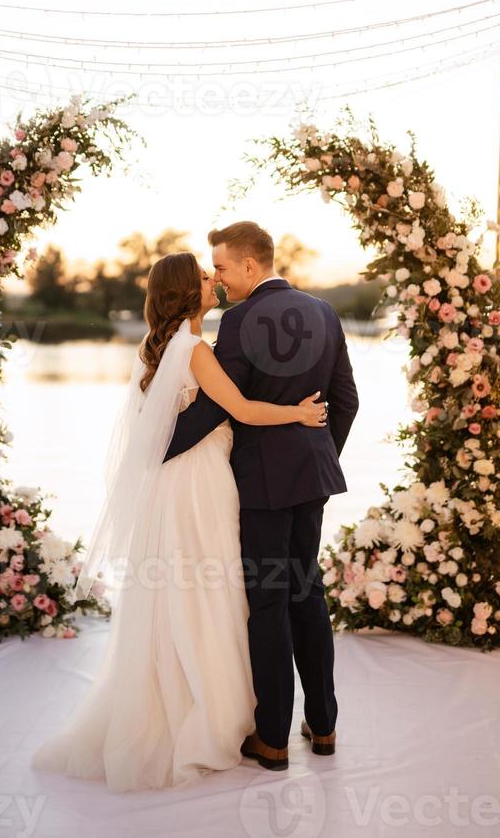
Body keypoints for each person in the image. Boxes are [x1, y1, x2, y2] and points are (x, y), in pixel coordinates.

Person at [31, 250, 327, 792]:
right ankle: (211, 716)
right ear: (189, 293)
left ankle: (189, 702)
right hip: (200, 486)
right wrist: (300, 413)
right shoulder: (195, 350)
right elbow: (241, 409)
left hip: (174, 487)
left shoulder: (159, 347)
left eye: (216, 272)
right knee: (212, 592)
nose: (215, 280)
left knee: (183, 591)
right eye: (204, 276)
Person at [164, 221, 359, 770]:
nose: (218, 280)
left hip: (261, 485)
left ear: (251, 265)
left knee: (268, 602)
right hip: (312, 480)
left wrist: (156, 450)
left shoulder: (242, 319)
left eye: (221, 267)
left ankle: (272, 738)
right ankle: (323, 727)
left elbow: (216, 406)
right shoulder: (325, 311)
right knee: (308, 593)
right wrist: (319, 459)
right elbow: (346, 400)